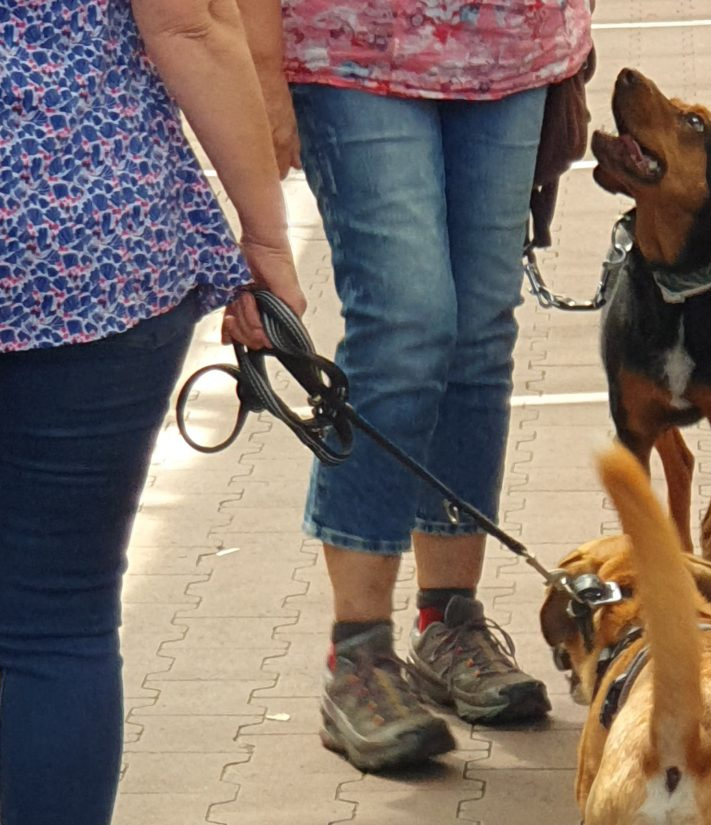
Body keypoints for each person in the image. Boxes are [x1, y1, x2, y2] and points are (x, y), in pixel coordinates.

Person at [0, 1, 305, 823]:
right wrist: (264, 243)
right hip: (92, 241)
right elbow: (190, 26)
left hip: (88, 252)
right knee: (62, 621)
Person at [240, 1, 593, 770]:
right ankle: (358, 655)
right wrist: (264, 77)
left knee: (477, 337)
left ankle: (449, 620)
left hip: (513, 42)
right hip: (352, 45)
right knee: (406, 327)